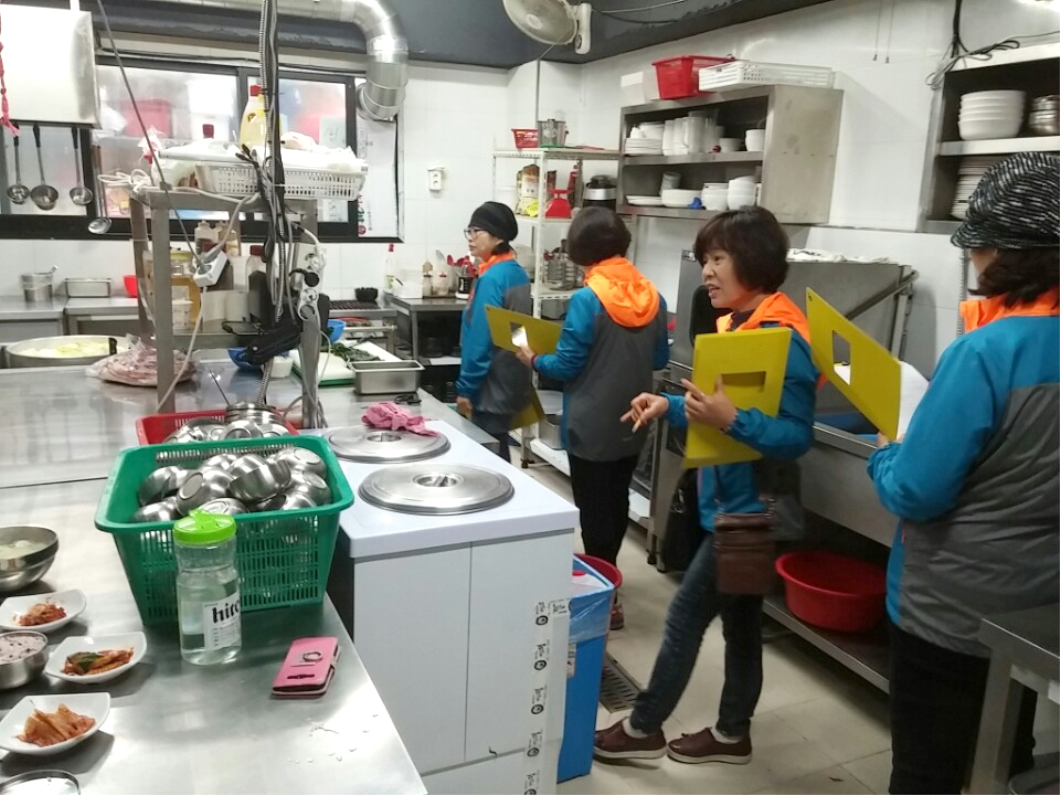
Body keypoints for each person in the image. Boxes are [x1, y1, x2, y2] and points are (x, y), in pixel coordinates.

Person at [593, 206, 817, 765]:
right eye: (705, 260)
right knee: (741, 626)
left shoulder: (782, 337)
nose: (708, 272)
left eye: (718, 259)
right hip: (726, 504)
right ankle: (732, 735)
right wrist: (666, 404)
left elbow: (794, 437)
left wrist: (732, 420)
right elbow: (715, 406)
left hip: (748, 513)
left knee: (686, 617)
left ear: (753, 261)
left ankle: (644, 727)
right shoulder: (741, 325)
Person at [867, 152, 1059, 795]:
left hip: (951, 609)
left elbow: (916, 491)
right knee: (1006, 755)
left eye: (977, 245)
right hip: (1038, 608)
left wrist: (887, 450)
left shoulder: (985, 352)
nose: (972, 259)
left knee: (926, 771)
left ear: (1005, 253)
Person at [516, 207, 668, 629]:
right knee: (616, 499)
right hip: (635, 419)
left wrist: (534, 358)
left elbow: (566, 366)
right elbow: (659, 358)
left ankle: (604, 596)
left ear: (580, 250)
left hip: (590, 422)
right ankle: (610, 575)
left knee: (592, 507)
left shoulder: (588, 299)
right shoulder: (653, 297)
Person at [455, 201, 533, 462]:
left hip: (490, 384)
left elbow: (481, 340)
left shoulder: (492, 278)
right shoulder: (516, 273)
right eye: (469, 231)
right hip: (510, 380)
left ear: (498, 236)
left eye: (477, 231)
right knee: (499, 449)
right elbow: (518, 331)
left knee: (487, 458)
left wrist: (466, 388)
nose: (471, 238)